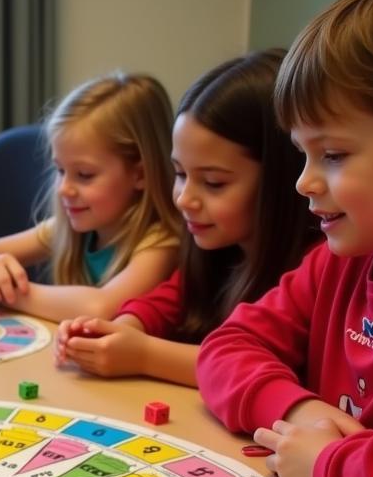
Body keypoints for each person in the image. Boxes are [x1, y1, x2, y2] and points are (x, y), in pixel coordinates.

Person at [197, 0, 373, 477]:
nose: (304, 181)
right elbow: (226, 348)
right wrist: (300, 411)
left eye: (334, 155)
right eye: (302, 154)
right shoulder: (337, 263)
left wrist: (324, 464)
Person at [57, 50, 316, 385]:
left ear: (281, 180)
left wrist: (141, 354)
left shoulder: (314, 269)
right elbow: (163, 303)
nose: (184, 198)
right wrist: (119, 330)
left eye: (213, 183)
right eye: (179, 173)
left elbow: (257, 367)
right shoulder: (219, 250)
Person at [0, 73, 180, 321]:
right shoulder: (67, 228)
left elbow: (100, 309)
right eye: (60, 170)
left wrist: (5, 290)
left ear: (140, 175)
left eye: (84, 175)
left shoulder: (161, 243)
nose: (64, 188)